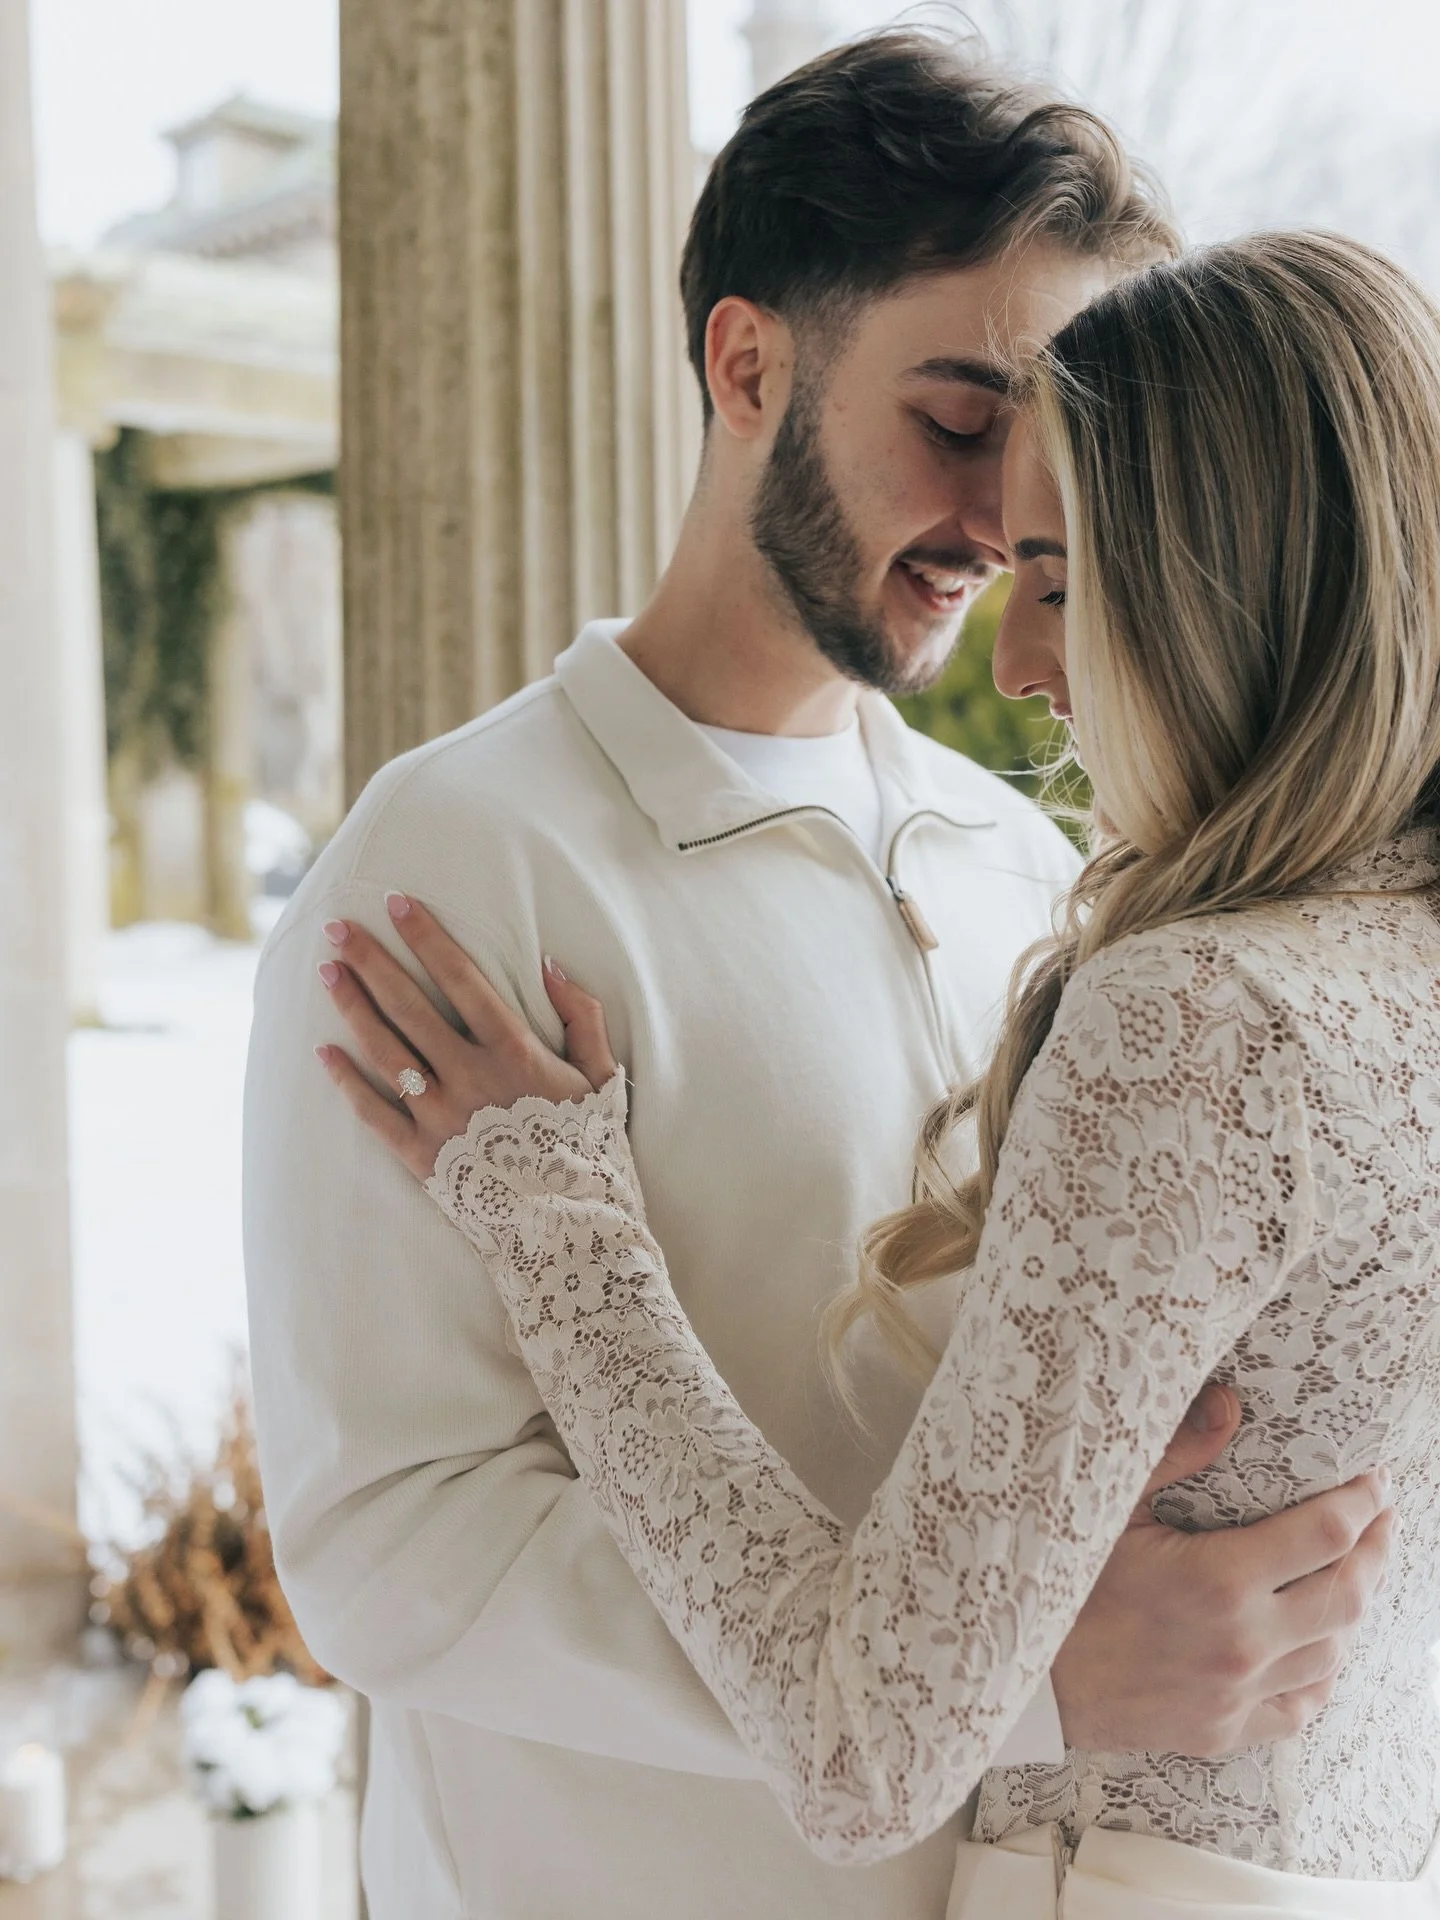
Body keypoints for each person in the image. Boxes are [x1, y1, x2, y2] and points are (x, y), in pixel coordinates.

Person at [245, 33, 1390, 1920]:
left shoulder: (1036, 854)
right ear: (748, 361)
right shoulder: (454, 870)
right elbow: (391, 1542)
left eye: (1054, 455)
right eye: (960, 419)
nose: (1003, 516)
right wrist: (1004, 1683)